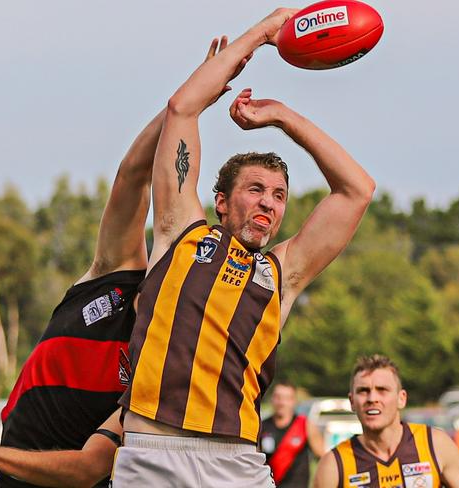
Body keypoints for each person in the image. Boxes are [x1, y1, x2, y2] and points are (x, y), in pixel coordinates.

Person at [0, 37, 232, 488]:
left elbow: (87, 469)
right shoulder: (116, 272)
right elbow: (133, 173)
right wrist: (190, 99)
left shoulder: (158, 366)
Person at [112, 7, 376, 488]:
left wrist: (281, 116)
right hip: (152, 453)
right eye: (255, 189)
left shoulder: (282, 273)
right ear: (220, 201)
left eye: (279, 196)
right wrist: (263, 33)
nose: (268, 204)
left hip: (236, 462)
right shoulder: (180, 233)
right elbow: (182, 108)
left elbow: (357, 190)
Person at [313, 355, 459, 488]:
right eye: (363, 391)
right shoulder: (333, 465)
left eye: (382, 390)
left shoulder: (435, 444)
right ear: (352, 402)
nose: (372, 398)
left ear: (401, 399)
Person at [260, 381, 325, 487]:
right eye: (278, 397)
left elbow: (323, 457)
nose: (281, 402)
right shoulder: (262, 427)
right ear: (272, 399)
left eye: (287, 398)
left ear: (294, 401)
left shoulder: (305, 425)